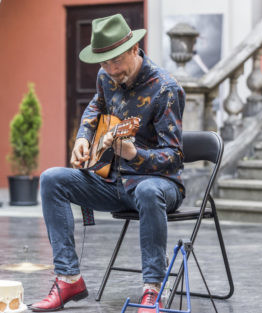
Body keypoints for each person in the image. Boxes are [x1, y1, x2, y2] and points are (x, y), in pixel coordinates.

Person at [31, 13, 185, 313]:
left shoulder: (166, 88)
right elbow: (95, 106)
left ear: (134, 49)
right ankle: (68, 279)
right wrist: (83, 137)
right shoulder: (106, 77)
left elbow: (175, 158)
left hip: (159, 186)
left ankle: (153, 289)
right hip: (113, 183)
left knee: (147, 191)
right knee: (52, 179)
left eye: (117, 61)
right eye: (104, 63)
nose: (112, 70)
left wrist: (134, 154)